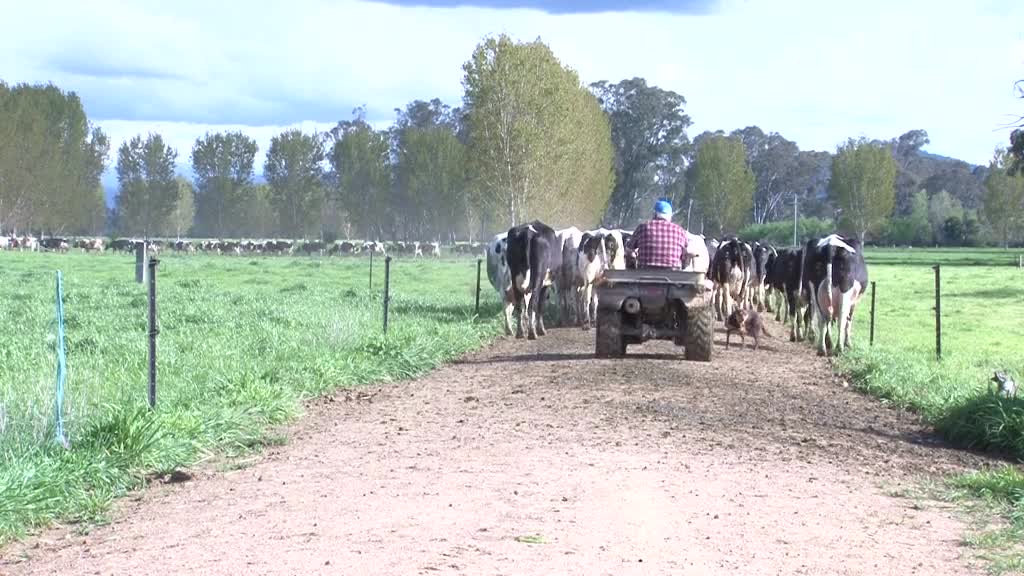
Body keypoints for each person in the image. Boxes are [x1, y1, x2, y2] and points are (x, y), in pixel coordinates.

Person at [627, 199, 688, 269]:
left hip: (644, 270)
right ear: (670, 216)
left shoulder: (642, 227)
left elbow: (630, 247)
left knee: (629, 253)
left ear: (655, 214)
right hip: (673, 272)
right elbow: (685, 251)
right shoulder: (680, 230)